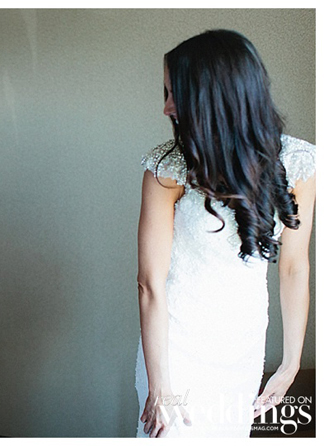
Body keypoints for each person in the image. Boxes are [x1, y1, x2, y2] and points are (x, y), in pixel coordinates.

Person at [135, 30, 315, 437]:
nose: (166, 107)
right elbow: (149, 284)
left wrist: (290, 364)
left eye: (176, 93)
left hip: (243, 345)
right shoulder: (168, 167)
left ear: (215, 94)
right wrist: (160, 385)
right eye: (166, 92)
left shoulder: (299, 162)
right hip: (175, 348)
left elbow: (294, 267)